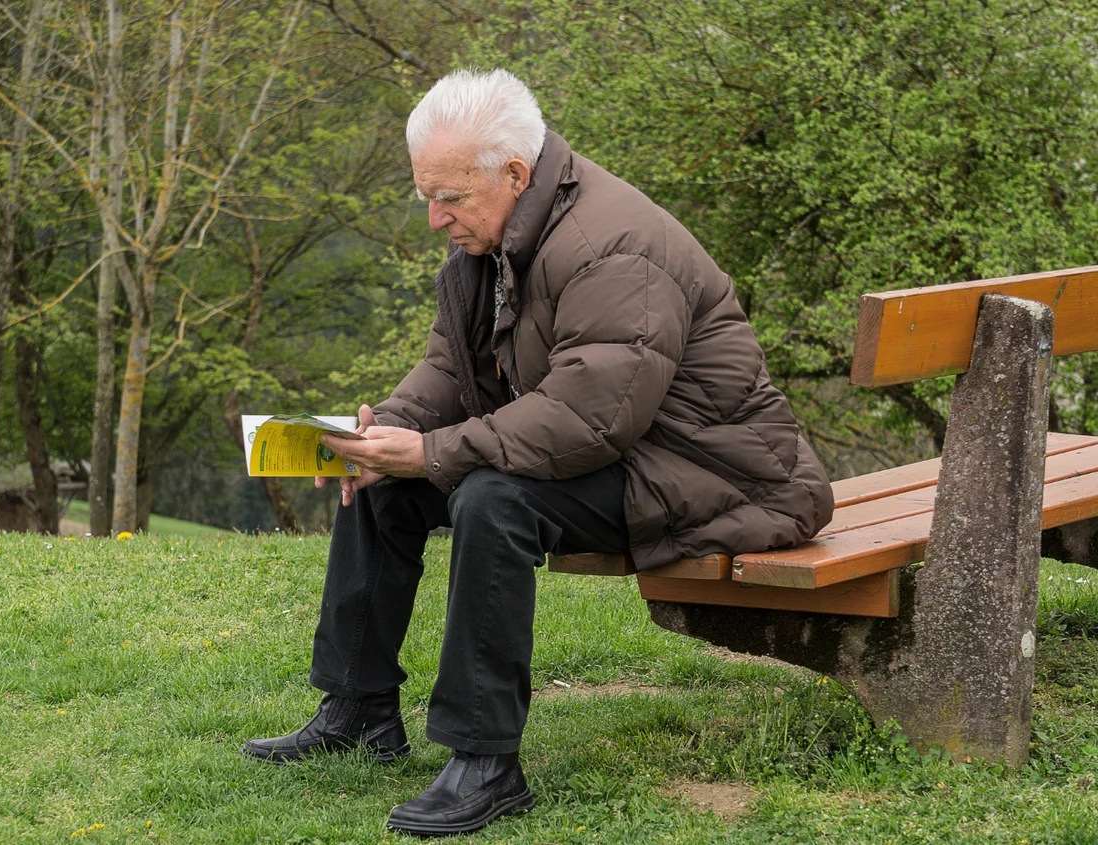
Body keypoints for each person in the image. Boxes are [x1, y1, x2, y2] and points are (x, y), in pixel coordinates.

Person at [242, 68, 834, 836]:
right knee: (387, 478)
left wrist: (433, 451)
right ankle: (357, 706)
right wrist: (385, 430)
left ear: (515, 174)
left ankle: (486, 761)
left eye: (449, 196)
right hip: (631, 457)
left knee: (492, 497)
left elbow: (590, 420)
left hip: (720, 478)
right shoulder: (494, 240)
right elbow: (452, 371)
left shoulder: (614, 246)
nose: (433, 218)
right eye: (427, 194)